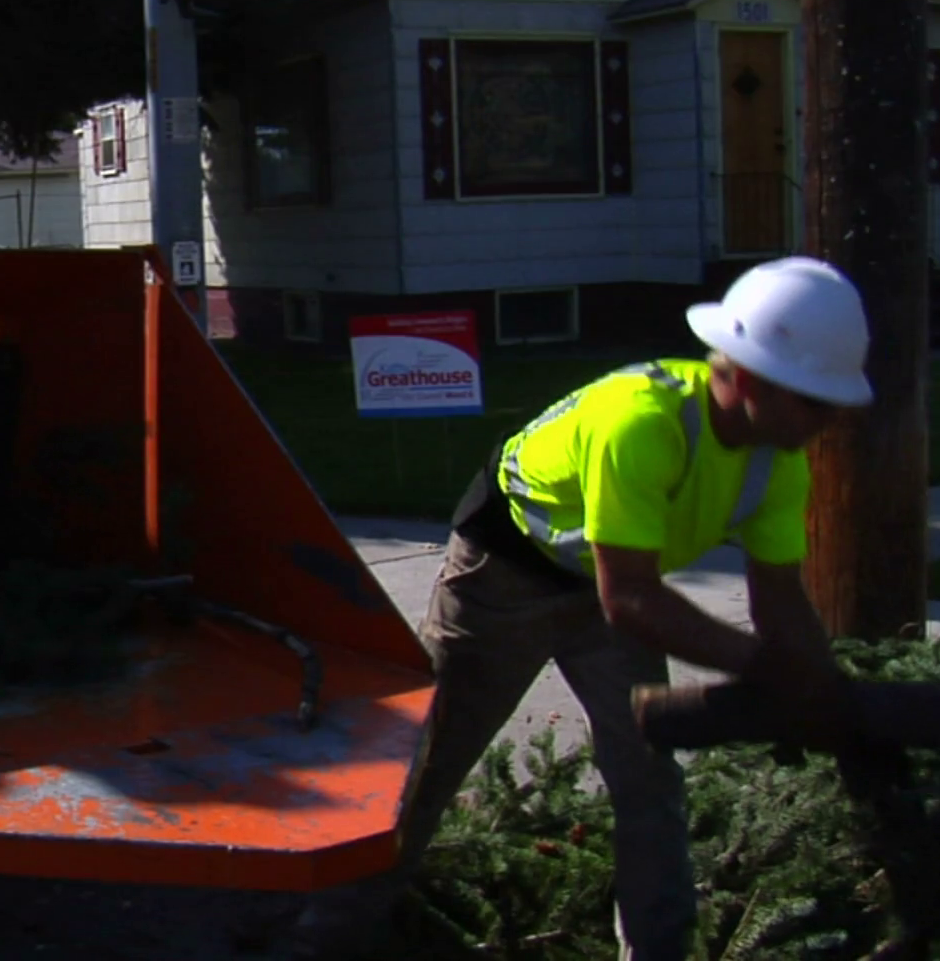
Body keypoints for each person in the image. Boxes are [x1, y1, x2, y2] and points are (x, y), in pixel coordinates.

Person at [284, 256, 877, 961]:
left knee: (647, 775)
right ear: (746, 379)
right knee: (425, 766)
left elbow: (780, 600)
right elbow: (628, 599)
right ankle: (327, 939)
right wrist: (767, 669)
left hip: (608, 587)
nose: (828, 418)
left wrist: (824, 692)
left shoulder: (778, 460)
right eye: (813, 399)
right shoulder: (641, 423)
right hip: (502, 577)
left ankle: (658, 950)